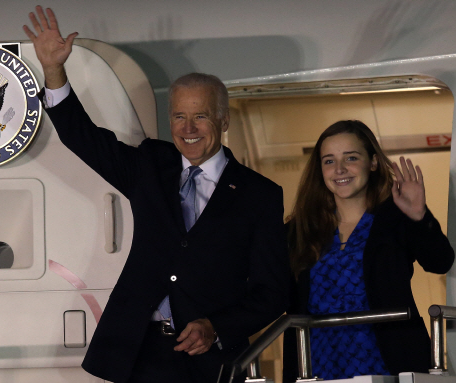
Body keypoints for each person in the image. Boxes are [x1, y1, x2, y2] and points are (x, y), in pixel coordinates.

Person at [23, 6, 290, 383]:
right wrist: (53, 71)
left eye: (201, 116)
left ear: (224, 120)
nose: (188, 128)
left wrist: (216, 325)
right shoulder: (151, 165)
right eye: (179, 116)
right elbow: (82, 138)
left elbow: (273, 292)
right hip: (137, 352)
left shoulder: (259, 194)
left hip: (209, 360)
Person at [283, 120, 454, 381]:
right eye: (329, 161)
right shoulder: (299, 229)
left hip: (388, 357)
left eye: (351, 158)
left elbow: (440, 262)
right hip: (318, 360)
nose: (339, 169)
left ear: (373, 163)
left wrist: (420, 216)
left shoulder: (394, 218)